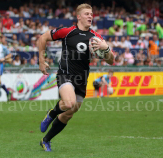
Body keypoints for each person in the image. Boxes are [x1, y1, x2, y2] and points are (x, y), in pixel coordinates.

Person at [38, 3, 114, 152]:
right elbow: (43, 38)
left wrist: (107, 50)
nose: (90, 16)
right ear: (78, 16)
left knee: (69, 113)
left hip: (82, 79)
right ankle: (51, 114)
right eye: (87, 14)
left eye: (91, 14)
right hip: (65, 73)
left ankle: (45, 140)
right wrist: (41, 60)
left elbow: (111, 60)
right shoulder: (67, 31)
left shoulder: (96, 37)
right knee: (69, 102)